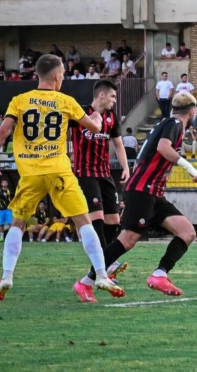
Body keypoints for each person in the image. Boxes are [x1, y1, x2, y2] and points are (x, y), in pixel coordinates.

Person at [0, 54, 121, 301]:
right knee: (84, 222)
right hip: (59, 171)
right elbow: (94, 128)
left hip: (30, 173)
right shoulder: (66, 101)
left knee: (18, 224)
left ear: (37, 74)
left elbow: (4, 130)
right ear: (58, 76)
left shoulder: (20, 100)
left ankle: (6, 276)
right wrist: (98, 120)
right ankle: (101, 274)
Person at [74, 92, 197, 298]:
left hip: (154, 192)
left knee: (187, 232)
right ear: (192, 111)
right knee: (127, 240)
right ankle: (85, 282)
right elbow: (163, 148)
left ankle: (160, 275)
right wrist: (190, 168)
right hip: (143, 190)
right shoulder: (175, 124)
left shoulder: (170, 123)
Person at [69, 79, 132, 290]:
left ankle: (100, 265)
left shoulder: (112, 118)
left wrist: (125, 167)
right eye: (113, 96)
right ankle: (105, 266)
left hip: (105, 174)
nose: (115, 100)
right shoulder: (80, 113)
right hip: (85, 173)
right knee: (96, 218)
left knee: (113, 221)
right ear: (102, 95)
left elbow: (118, 144)